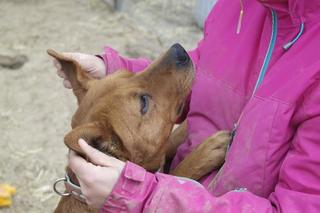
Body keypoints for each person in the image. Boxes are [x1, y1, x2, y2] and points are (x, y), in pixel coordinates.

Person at [54, 0, 320, 212]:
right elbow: (209, 70)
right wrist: (114, 74)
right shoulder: (239, 6)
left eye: (142, 102)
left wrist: (145, 198)